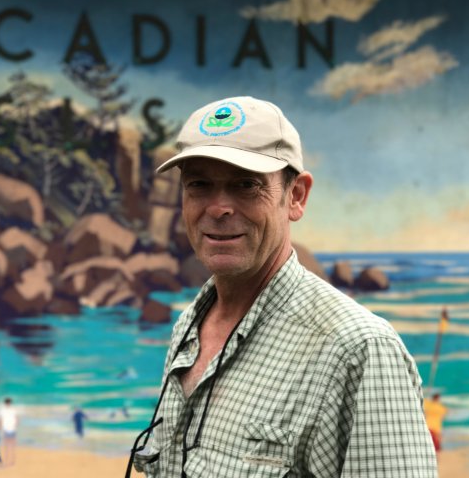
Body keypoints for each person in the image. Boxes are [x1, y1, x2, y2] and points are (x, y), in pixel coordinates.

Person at [127, 96, 438, 477]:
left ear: (296, 196)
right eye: (199, 185)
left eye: (246, 185)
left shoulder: (359, 350)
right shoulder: (190, 326)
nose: (218, 207)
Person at [0, 397, 17, 465]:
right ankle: (10, 460)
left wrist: (0, 427)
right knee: (10, 445)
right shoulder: (12, 409)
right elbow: (16, 418)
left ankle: (10, 460)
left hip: (9, 428)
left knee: (8, 445)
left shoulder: (4, 410)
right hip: (9, 428)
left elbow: (0, 420)